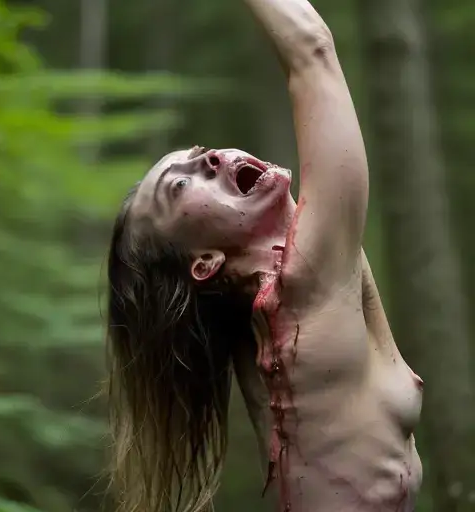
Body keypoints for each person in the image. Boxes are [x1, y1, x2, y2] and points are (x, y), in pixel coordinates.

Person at [105, 1, 423, 511]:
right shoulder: (304, 291)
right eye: (181, 185)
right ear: (204, 263)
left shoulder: (266, 324)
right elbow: (311, 49)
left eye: (197, 153)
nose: (211, 157)